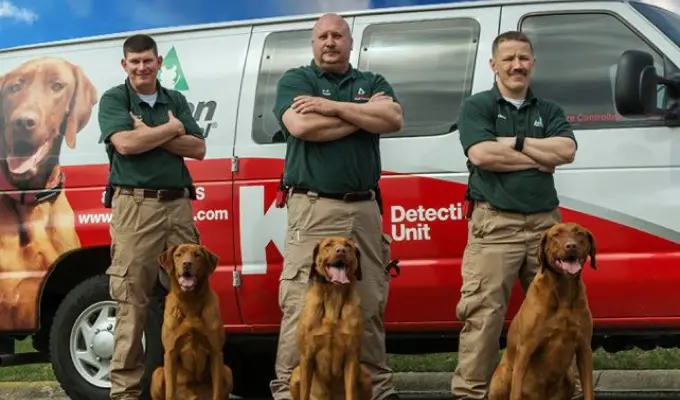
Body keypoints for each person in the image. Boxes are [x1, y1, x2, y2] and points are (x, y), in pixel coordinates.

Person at [268, 12, 404, 400]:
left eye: (338, 36)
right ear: (313, 43)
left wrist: (332, 108)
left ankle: (376, 388)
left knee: (370, 298)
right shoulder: (297, 80)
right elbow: (302, 128)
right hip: (314, 208)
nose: (330, 42)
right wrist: (365, 116)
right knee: (300, 302)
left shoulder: (371, 81)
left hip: (364, 209)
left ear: (350, 41)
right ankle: (289, 389)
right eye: (323, 36)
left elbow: (393, 117)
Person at [451, 30, 578, 399]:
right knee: (484, 316)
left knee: (559, 315)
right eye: (508, 59)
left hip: (546, 228)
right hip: (496, 226)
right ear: (493, 65)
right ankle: (471, 394)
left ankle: (557, 391)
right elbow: (482, 156)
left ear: (533, 63)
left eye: (523, 58)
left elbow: (567, 151)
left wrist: (515, 142)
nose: (516, 65)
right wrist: (539, 158)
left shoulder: (549, 110)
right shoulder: (477, 107)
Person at [97, 33, 206, 400]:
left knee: (191, 295)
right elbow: (125, 145)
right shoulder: (115, 98)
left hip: (178, 207)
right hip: (135, 208)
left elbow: (199, 148)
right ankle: (125, 394)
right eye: (135, 61)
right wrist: (173, 129)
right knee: (132, 301)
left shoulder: (175, 99)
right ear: (124, 65)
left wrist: (153, 134)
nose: (142, 67)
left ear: (160, 63)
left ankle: (191, 387)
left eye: (148, 60)